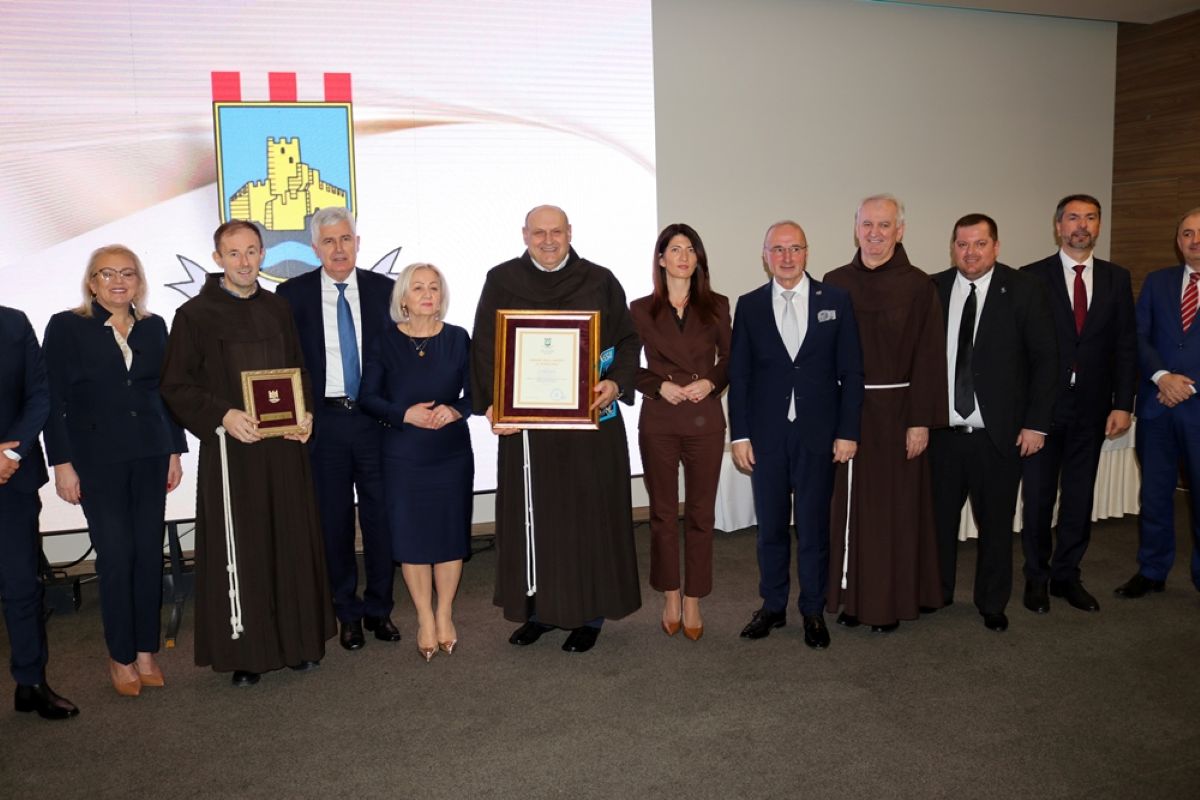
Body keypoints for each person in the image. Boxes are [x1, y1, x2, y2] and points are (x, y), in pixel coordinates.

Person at [160, 220, 335, 686]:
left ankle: (298, 643)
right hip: (232, 451)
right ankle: (247, 652)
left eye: (252, 251)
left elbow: (299, 370)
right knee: (244, 546)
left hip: (284, 451)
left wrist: (305, 415)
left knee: (290, 540)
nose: (244, 261)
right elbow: (176, 386)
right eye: (233, 253)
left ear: (263, 255)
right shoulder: (194, 316)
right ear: (217, 258)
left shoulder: (278, 308)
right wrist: (223, 414)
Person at [470, 204, 640, 654]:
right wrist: (492, 405)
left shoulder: (599, 280)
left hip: (590, 429)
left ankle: (589, 614)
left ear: (570, 233)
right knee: (534, 519)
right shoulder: (502, 279)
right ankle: (540, 611)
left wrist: (615, 382)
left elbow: (627, 340)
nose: (548, 241)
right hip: (529, 430)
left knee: (588, 521)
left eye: (557, 232)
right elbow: (485, 346)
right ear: (524, 234)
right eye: (539, 233)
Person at [42, 245, 187, 697]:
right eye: (107, 274)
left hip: (150, 454)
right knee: (117, 555)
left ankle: (146, 651)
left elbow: (164, 392)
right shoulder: (67, 326)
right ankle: (121, 655)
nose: (118, 281)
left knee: (147, 553)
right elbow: (52, 401)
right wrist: (61, 464)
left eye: (128, 273)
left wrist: (174, 450)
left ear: (139, 281)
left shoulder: (153, 326)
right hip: (96, 460)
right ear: (92, 282)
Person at [728, 220, 863, 650]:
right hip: (766, 437)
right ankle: (772, 606)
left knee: (812, 527)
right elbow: (739, 376)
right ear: (765, 256)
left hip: (818, 436)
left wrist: (848, 431)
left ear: (807, 252)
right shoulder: (749, 305)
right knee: (769, 528)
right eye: (778, 249)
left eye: (795, 248)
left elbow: (852, 372)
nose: (787, 257)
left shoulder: (836, 300)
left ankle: (812, 609)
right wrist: (739, 435)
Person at [824, 195, 947, 633]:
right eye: (867, 224)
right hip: (849, 415)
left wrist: (920, 421)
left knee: (894, 512)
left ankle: (890, 603)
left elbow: (929, 356)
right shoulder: (835, 282)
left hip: (898, 415)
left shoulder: (918, 285)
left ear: (900, 230)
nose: (874, 233)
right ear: (855, 228)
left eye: (884, 225)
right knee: (850, 509)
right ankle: (853, 599)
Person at [277, 207, 399, 651]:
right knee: (334, 522)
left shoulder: (386, 290)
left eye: (345, 239)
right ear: (315, 248)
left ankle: (380, 608)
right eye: (328, 241)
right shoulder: (291, 295)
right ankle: (346, 611)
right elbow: (284, 363)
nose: (339, 248)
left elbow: (402, 356)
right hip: (323, 424)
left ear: (358, 242)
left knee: (381, 518)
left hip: (375, 422)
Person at [930, 214, 1057, 632]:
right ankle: (937, 592)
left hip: (998, 436)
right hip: (942, 434)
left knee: (996, 526)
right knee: (937, 522)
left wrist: (1036, 424)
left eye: (980, 244)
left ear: (996, 247)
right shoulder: (933, 288)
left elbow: (1046, 361)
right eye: (963, 244)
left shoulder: (1024, 289)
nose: (971, 252)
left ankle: (991, 602)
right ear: (953, 247)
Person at [1020, 195, 1136, 614]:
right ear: (1058, 226)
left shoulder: (1116, 278)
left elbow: (1125, 345)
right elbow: (1020, 349)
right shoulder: (1031, 276)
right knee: (1037, 498)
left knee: (1079, 496)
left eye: (1090, 218)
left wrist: (1123, 403)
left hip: (1092, 408)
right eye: (1073, 218)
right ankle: (1036, 576)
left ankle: (1067, 575)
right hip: (1043, 410)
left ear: (1099, 226)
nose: (1081, 225)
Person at [360, 263, 473, 662]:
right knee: (411, 539)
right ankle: (424, 617)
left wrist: (456, 410)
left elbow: (478, 393)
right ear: (403, 299)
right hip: (403, 454)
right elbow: (367, 397)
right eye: (418, 288)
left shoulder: (458, 338)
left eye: (434, 288)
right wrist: (403, 413)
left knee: (449, 536)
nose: (428, 294)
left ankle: (445, 614)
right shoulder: (384, 341)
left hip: (450, 454)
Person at [630, 223, 731, 641]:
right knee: (663, 513)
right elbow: (624, 366)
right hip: (660, 418)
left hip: (705, 417)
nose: (684, 256)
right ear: (661, 259)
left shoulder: (717, 305)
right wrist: (658, 386)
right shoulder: (639, 309)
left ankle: (694, 598)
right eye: (675, 249)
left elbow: (731, 357)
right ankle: (671, 593)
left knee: (702, 514)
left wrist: (711, 381)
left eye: (691, 249)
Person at [1, 305, 79, 720]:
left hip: (12, 476)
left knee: (22, 586)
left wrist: (11, 453)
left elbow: (39, 393)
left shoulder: (13, 322)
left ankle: (31, 683)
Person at [1118, 206, 1200, 599]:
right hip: (1157, 407)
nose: (1195, 241)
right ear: (1177, 240)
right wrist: (1161, 377)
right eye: (1187, 233)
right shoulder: (1158, 281)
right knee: (1154, 494)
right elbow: (1138, 335)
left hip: (1197, 407)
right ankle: (1152, 571)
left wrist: (1189, 386)